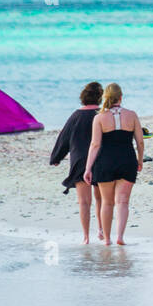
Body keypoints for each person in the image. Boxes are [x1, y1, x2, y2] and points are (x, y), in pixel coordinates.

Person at [83, 83, 144, 246]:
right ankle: (120, 237)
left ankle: (108, 239)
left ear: (105, 97)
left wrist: (88, 168)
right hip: (127, 159)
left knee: (107, 202)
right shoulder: (132, 115)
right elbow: (140, 141)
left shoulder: (99, 118)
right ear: (121, 97)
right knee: (123, 201)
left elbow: (95, 145)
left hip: (106, 161)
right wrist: (140, 159)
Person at [50, 82, 104, 243]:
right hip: (100, 159)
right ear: (100, 97)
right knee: (100, 199)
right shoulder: (102, 115)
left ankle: (86, 237)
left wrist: (56, 158)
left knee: (84, 202)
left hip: (80, 161)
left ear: (83, 97)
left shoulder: (75, 116)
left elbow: (64, 138)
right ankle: (101, 230)